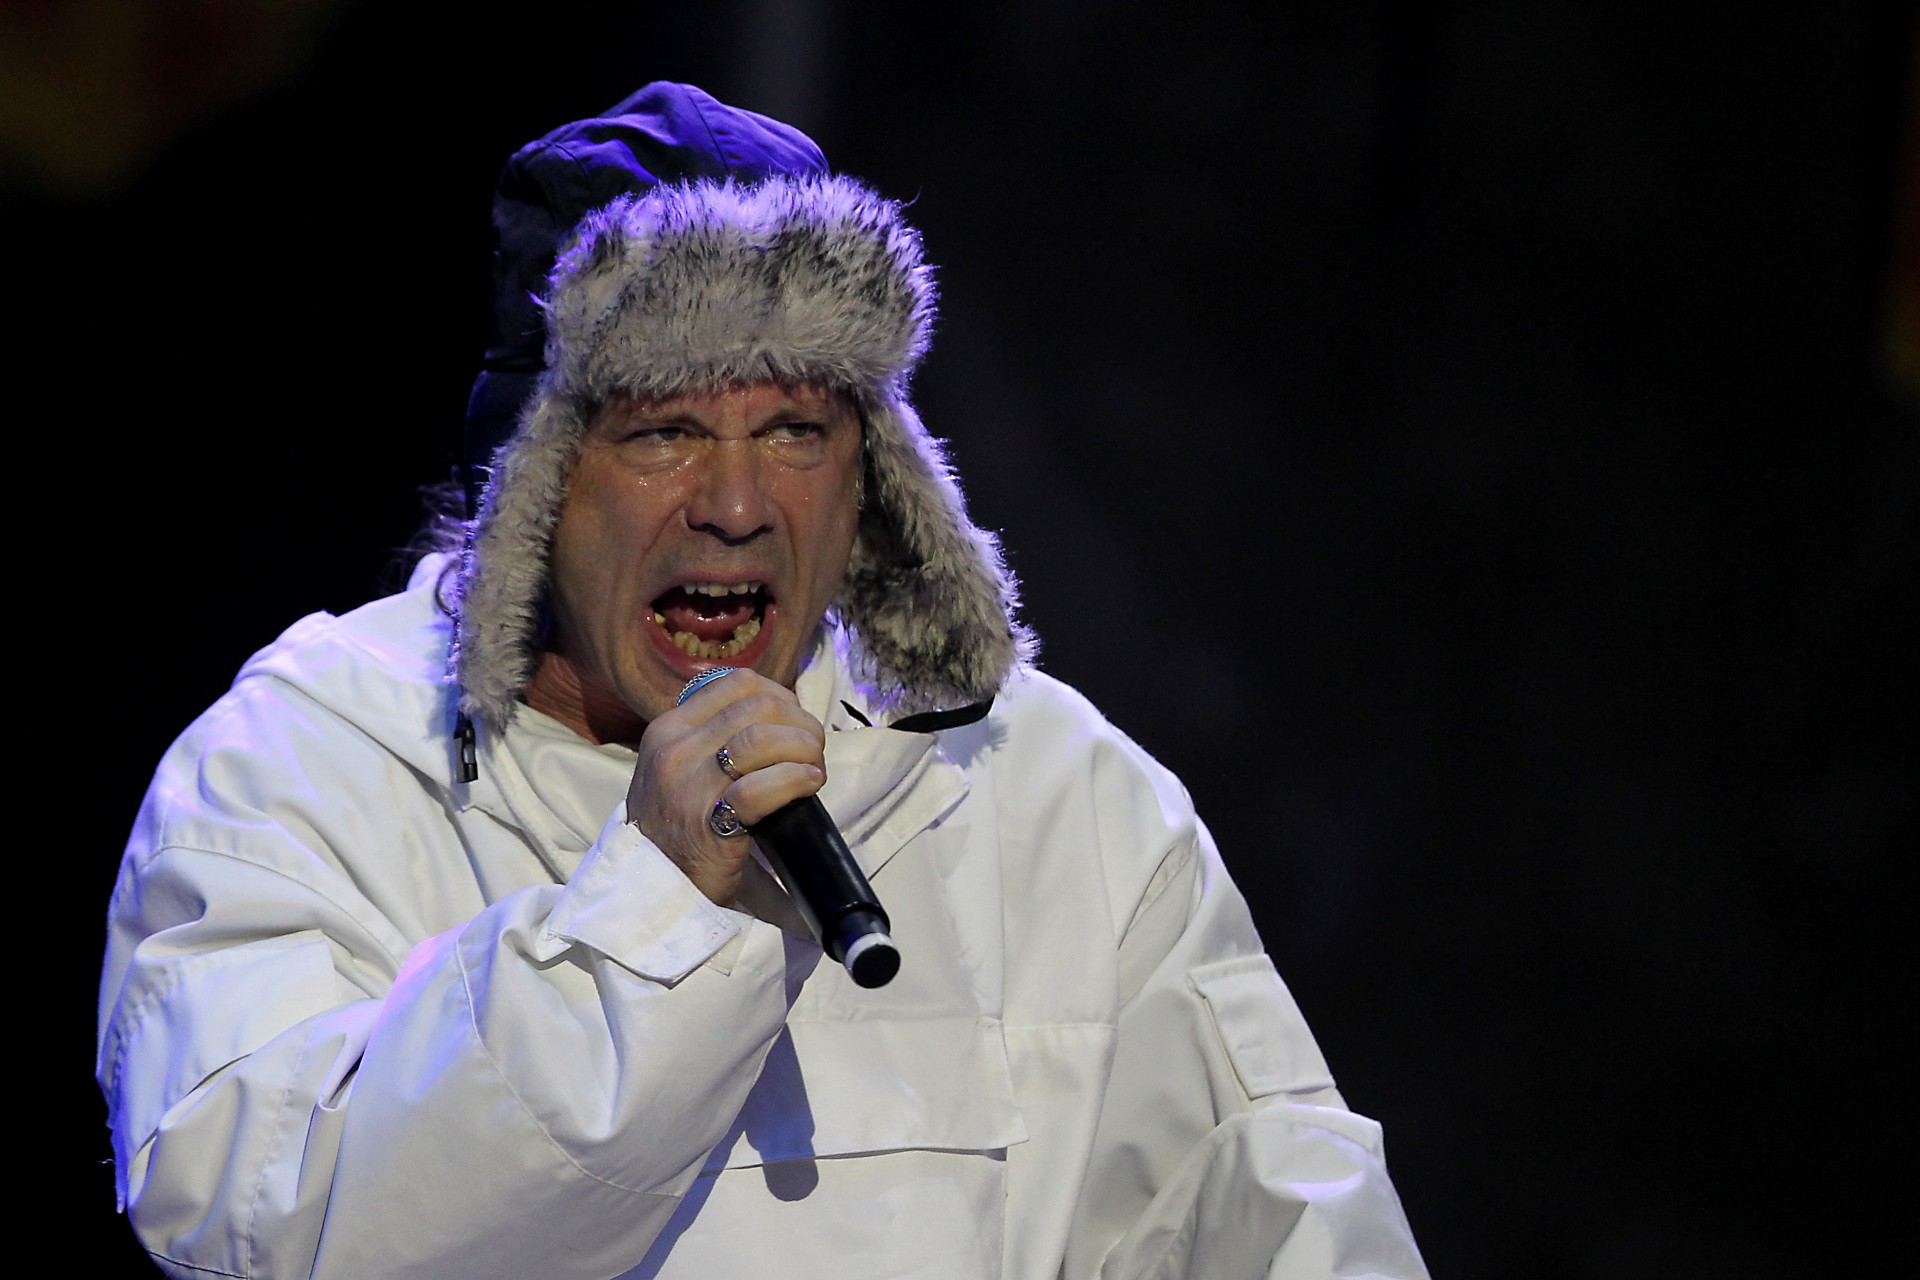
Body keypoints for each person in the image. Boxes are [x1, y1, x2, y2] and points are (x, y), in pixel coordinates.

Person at [97, 83, 1429, 1279]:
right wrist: (655, 916)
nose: (738, 503)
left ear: (874, 473)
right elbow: (268, 1237)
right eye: (666, 429)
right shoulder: (303, 770)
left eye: (797, 428)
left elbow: (1284, 1216)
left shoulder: (1048, 795)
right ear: (535, 485)